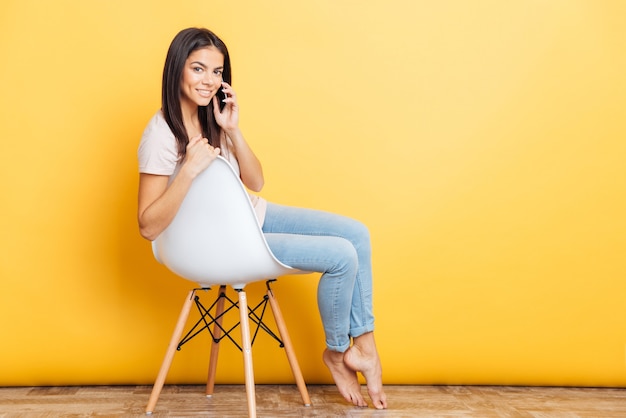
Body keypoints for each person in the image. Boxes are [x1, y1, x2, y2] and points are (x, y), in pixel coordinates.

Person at [137, 27, 387, 410]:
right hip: (222, 241)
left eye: (218, 72)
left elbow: (255, 181)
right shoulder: (161, 133)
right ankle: (338, 352)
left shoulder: (212, 118)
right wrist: (187, 169)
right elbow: (148, 225)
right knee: (341, 257)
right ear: (177, 70)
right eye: (199, 69)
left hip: (249, 217)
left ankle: (364, 348)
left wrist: (232, 130)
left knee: (357, 234)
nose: (210, 81)